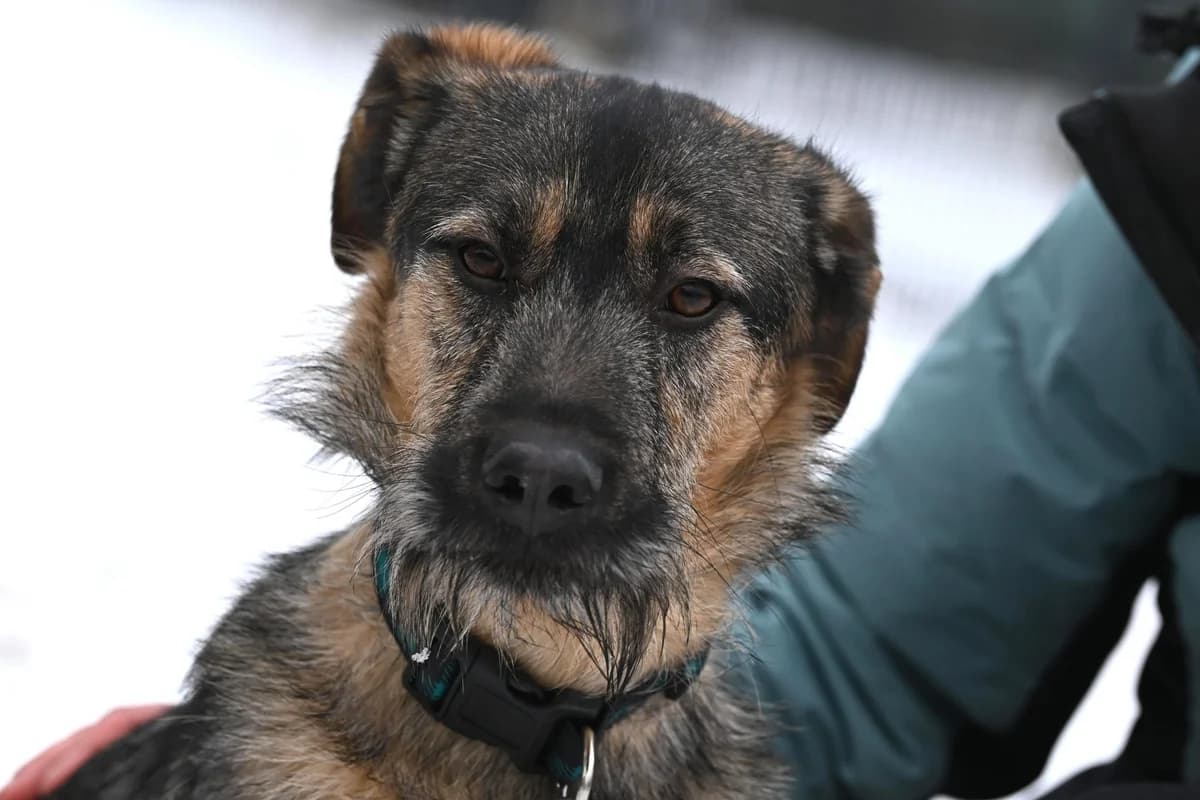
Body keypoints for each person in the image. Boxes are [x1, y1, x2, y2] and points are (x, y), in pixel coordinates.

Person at [3, 12, 1197, 800]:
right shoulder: (1178, 165)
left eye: (689, 301)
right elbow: (877, 651)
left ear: (804, 365)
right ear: (386, 263)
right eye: (479, 264)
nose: (544, 454)